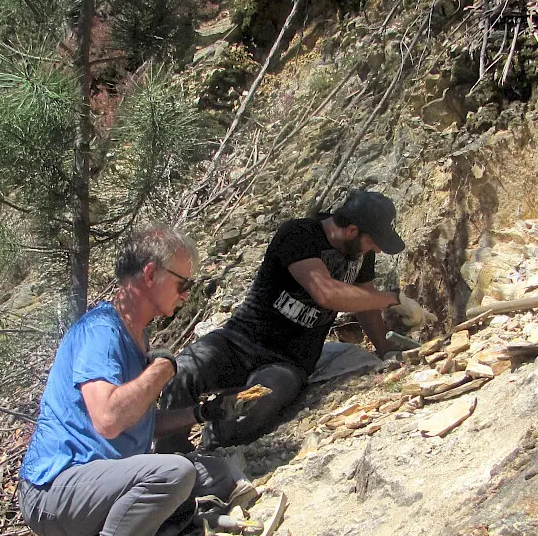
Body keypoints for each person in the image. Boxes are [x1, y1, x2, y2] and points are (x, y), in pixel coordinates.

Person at [17, 226, 243, 536]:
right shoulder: (101, 332)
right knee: (174, 474)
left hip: (96, 478)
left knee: (215, 472)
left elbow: (135, 421)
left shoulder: (133, 334)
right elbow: (108, 419)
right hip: (54, 490)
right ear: (151, 273)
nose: (187, 294)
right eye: (183, 283)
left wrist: (201, 414)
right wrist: (162, 368)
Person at [157, 189, 426, 451]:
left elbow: (365, 304)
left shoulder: (359, 254)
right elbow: (327, 294)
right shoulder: (299, 235)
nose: (375, 250)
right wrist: (392, 297)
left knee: (260, 400)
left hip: (287, 361)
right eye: (373, 242)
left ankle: (211, 448)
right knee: (183, 371)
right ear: (353, 230)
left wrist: (384, 349)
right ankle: (169, 456)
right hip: (238, 341)